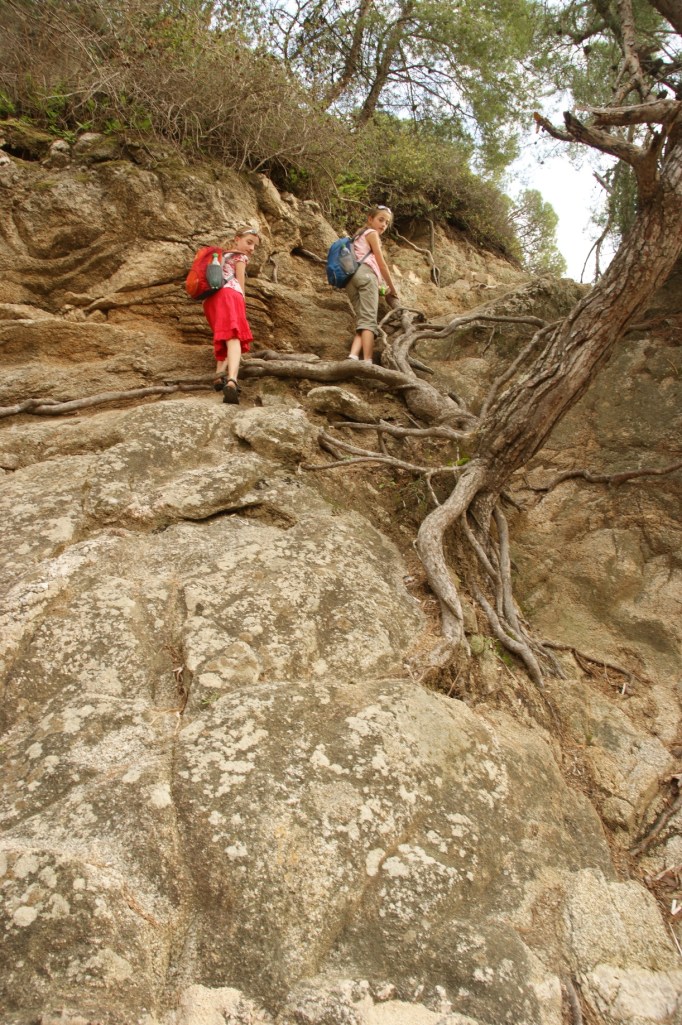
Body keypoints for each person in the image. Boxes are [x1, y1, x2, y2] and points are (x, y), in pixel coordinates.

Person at [203, 226, 260, 404]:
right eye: (248, 242)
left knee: (223, 336)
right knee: (234, 336)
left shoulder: (220, 257)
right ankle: (232, 380)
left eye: (254, 246)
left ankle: (218, 376)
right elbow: (240, 286)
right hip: (230, 295)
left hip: (211, 300)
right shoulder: (239, 257)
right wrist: (242, 303)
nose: (251, 249)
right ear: (237, 239)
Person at [345, 205, 400, 363]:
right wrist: (392, 289)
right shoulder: (372, 234)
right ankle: (367, 360)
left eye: (387, 222)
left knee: (363, 319)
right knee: (369, 321)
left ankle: (353, 356)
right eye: (380, 220)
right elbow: (381, 264)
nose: (383, 224)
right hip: (366, 276)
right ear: (370, 219)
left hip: (350, 279)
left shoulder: (358, 235)